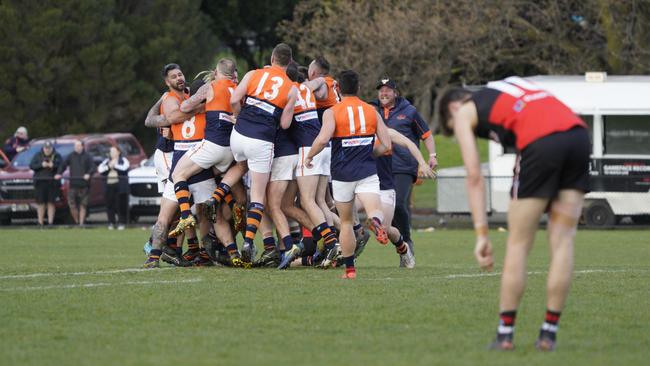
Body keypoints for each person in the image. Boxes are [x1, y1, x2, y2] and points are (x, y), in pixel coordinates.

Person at [437, 76, 590, 351]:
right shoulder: (507, 85)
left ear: (452, 109)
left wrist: (481, 234)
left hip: (540, 142)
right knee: (564, 239)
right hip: (578, 136)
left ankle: (505, 334)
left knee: (518, 244)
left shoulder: (463, 112)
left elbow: (473, 175)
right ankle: (548, 334)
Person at [204, 43, 298, 263]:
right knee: (257, 196)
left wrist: (241, 116)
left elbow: (235, 100)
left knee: (240, 166)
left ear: (272, 58)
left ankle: (216, 196)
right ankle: (248, 242)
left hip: (238, 135)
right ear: (289, 63)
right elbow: (284, 124)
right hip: (261, 141)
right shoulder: (292, 88)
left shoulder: (254, 74)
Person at [305, 69, 392, 279]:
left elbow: (323, 139)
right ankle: (376, 222)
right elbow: (387, 145)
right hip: (367, 170)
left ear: (337, 88)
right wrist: (371, 153)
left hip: (343, 174)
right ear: (359, 88)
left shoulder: (332, 112)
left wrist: (309, 156)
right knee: (374, 210)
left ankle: (350, 270)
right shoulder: (372, 110)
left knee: (345, 223)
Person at [371, 78, 437, 253]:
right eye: (381, 91)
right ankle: (395, 240)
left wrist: (431, 156)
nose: (384, 94)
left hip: (403, 166)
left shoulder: (409, 111)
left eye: (388, 90)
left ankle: (407, 241)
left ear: (395, 93)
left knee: (399, 203)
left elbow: (427, 135)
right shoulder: (371, 110)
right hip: (380, 167)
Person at [55, 140, 95, 226]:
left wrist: (88, 174)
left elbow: (93, 167)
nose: (76, 148)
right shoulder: (71, 156)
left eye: (78, 146)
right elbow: (63, 165)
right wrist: (59, 173)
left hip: (84, 185)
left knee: (83, 205)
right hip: (73, 185)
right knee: (71, 205)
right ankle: (76, 221)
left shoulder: (88, 156)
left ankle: (81, 224)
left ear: (82, 147)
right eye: (75, 146)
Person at [29, 141, 61, 227]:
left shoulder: (57, 155)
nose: (47, 150)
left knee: (51, 203)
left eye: (49, 148)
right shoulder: (38, 155)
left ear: (52, 148)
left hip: (52, 183)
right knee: (41, 203)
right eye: (46, 148)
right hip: (40, 182)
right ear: (43, 148)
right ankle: (40, 222)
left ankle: (50, 222)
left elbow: (61, 166)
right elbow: (31, 165)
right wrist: (41, 165)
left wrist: (53, 165)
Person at [98, 146, 130, 230]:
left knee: (120, 205)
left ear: (118, 152)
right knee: (109, 205)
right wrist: (109, 166)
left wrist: (114, 165)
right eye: (111, 152)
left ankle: (121, 223)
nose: (112, 153)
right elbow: (100, 169)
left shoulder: (123, 160)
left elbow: (124, 168)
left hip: (120, 186)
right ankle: (111, 223)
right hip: (109, 186)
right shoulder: (106, 161)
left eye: (114, 151)